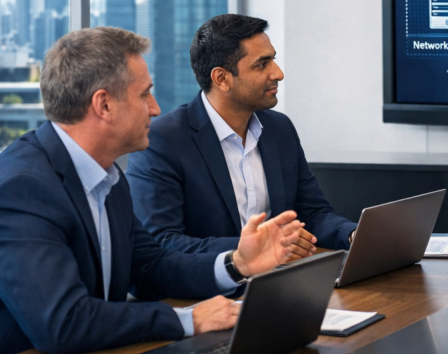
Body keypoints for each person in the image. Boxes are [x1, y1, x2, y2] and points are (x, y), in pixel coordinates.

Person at [0, 28, 314, 354]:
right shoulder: (21, 190)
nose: (155, 108)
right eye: (145, 95)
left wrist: (236, 263)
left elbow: (150, 267)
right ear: (103, 104)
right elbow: (63, 322)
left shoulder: (108, 177)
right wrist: (187, 320)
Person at [127, 14, 357, 254]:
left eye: (273, 60)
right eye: (262, 64)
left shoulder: (280, 129)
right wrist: (256, 248)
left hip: (281, 279)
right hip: (207, 288)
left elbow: (311, 213)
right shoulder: (163, 140)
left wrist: (353, 235)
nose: (278, 73)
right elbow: (162, 242)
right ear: (222, 79)